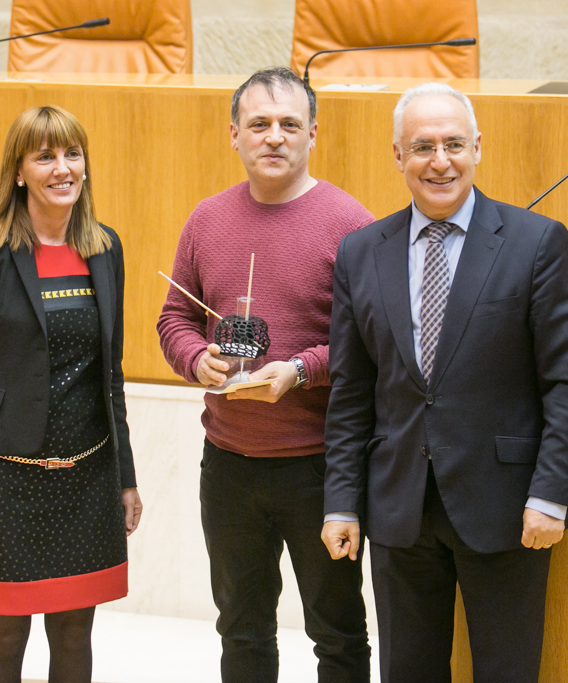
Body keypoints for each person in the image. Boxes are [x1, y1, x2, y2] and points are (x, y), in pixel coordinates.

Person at [321, 83, 568, 682]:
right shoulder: (361, 253)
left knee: (505, 671)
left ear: (478, 148)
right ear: (397, 155)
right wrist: (342, 501)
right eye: (422, 146)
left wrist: (551, 494)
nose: (439, 161)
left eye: (453, 144)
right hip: (398, 509)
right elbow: (350, 394)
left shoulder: (537, 243)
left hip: (507, 509)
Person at [156, 67, 372, 683]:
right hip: (227, 465)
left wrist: (303, 370)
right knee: (242, 629)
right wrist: (195, 356)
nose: (273, 137)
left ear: (312, 135)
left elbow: (372, 342)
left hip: (320, 465)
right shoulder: (206, 220)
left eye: (288, 125)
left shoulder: (350, 222)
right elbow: (175, 316)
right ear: (234, 135)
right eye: (259, 125)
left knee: (337, 632)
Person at [0, 105, 142, 683]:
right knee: (5, 633)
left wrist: (125, 478)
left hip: (85, 476)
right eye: (45, 156)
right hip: (5, 479)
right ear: (19, 170)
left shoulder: (105, 248)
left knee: (75, 632)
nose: (62, 168)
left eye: (72, 154)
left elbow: (112, 375)